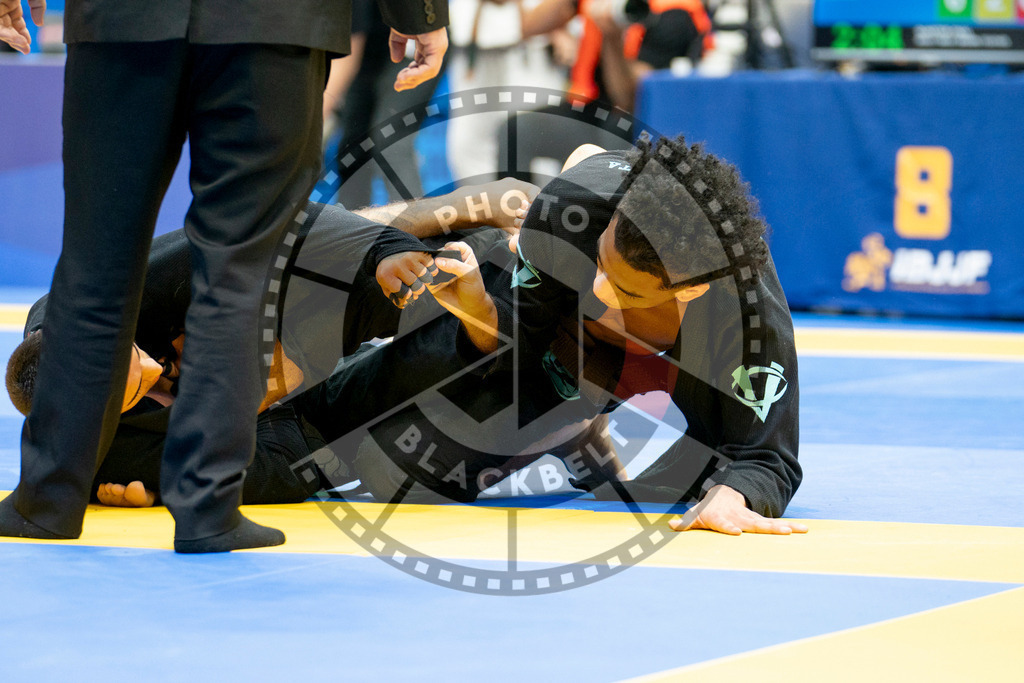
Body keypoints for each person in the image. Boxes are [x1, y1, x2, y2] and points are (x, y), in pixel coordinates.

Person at [0, 0, 448, 552]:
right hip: (271, 23)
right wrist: (419, 13)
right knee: (241, 265)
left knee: (95, 264)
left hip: (124, 19)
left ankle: (45, 503)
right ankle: (208, 505)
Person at [315, 135, 806, 535]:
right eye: (601, 260)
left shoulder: (747, 314)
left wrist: (735, 494)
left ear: (691, 289)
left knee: (390, 471)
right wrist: (477, 306)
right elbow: (516, 341)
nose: (600, 287)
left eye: (625, 290)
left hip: (600, 371)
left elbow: (765, 455)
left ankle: (573, 425)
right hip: (540, 319)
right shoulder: (577, 203)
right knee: (354, 380)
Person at [5, 180, 535, 508]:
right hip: (284, 406)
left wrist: (388, 249)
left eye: (134, 357)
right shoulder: (95, 451)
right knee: (381, 457)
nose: (150, 371)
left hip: (287, 294)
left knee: (440, 268)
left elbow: (275, 230)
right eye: (134, 393)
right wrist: (169, 489)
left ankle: (461, 217)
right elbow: (264, 471)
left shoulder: (108, 293)